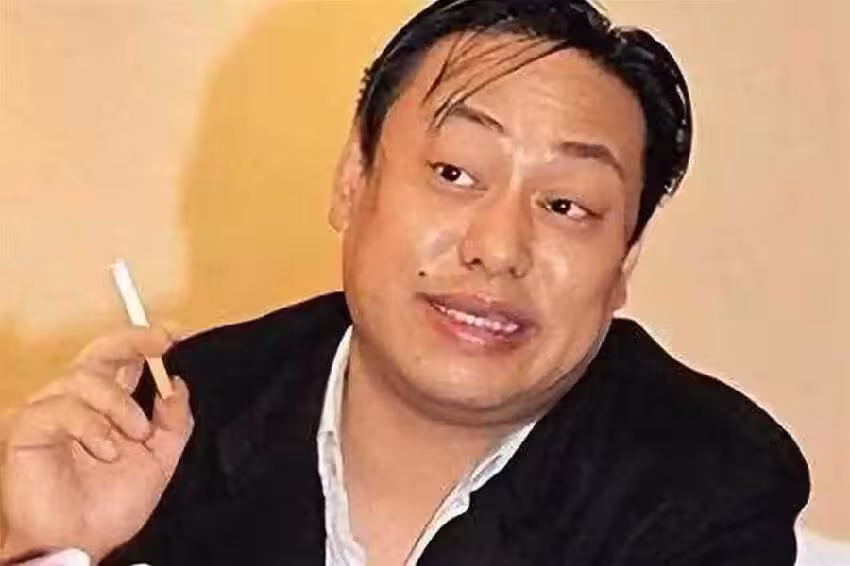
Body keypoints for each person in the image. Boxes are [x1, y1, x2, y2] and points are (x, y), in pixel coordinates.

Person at [0, 1, 809, 564]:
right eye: (455, 172)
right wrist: (55, 550)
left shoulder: (705, 488)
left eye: (566, 205)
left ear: (624, 263)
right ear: (353, 181)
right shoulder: (174, 418)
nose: (498, 249)